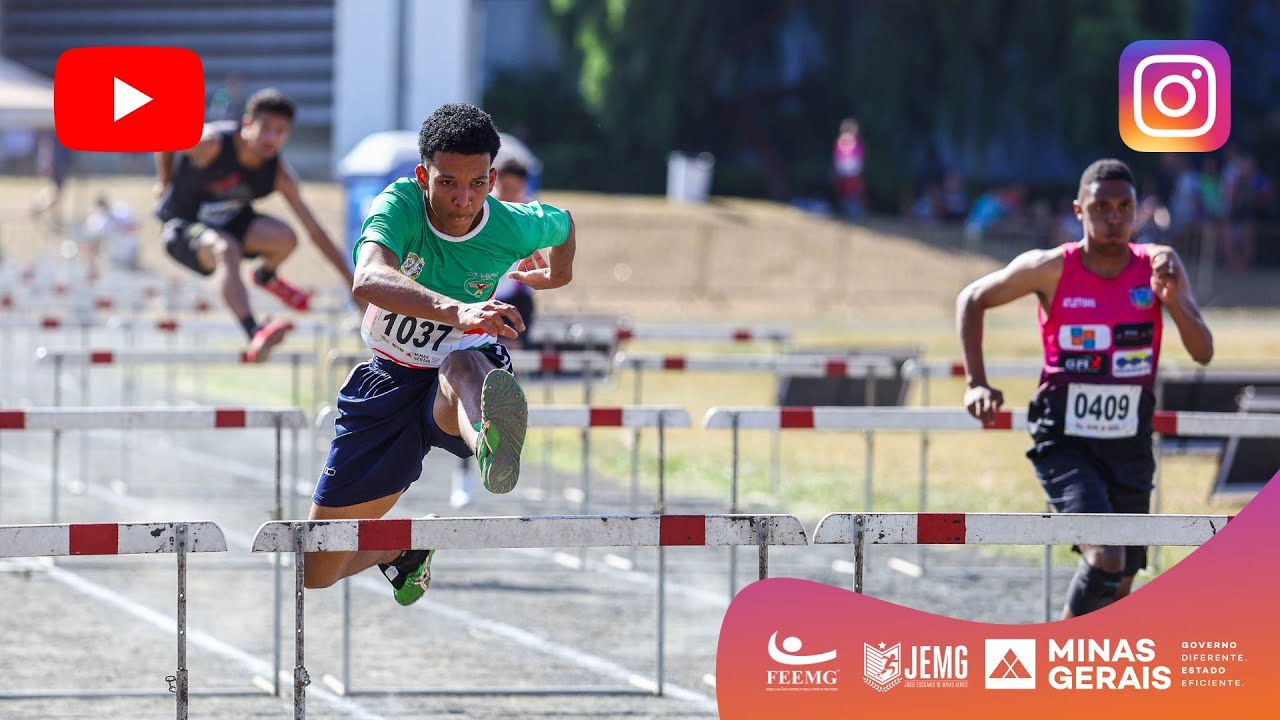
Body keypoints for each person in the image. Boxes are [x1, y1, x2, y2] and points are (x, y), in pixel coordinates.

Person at [303, 103, 576, 604]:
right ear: (422, 175)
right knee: (317, 567)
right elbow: (367, 277)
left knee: (461, 363)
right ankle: (404, 548)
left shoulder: (512, 225)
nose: (463, 199)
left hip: (460, 375)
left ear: (493, 179)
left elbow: (563, 224)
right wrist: (455, 310)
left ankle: (489, 444)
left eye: (476, 184)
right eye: (447, 183)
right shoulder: (399, 205)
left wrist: (559, 274)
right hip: (390, 379)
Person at [956, 159, 1213, 620]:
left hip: (1130, 439)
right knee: (1106, 557)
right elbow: (972, 298)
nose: (1113, 217)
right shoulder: (1051, 268)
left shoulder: (1159, 265)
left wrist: (1172, 301)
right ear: (1079, 210)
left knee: (1121, 583)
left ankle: (1092, 678)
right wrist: (978, 383)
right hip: (1065, 439)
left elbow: (1203, 351)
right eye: (1100, 207)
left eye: (1124, 206)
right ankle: (1061, 662)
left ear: (1138, 210)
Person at [154, 88, 355, 360]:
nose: (271, 138)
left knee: (286, 238)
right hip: (183, 226)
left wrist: (351, 281)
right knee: (226, 249)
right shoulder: (211, 144)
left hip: (230, 222)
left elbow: (315, 231)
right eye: (265, 128)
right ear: (247, 124)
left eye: (280, 131)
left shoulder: (279, 174)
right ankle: (254, 332)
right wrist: (164, 181)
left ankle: (265, 276)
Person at [451, 157, 543, 509]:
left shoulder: (527, 223)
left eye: (519, 191)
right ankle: (466, 468)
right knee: (470, 390)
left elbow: (537, 273)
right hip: (471, 308)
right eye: (508, 189)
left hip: (512, 309)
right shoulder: (474, 215)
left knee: (491, 394)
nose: (513, 196)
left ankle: (495, 450)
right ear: (492, 184)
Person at [833, 118, 866, 219]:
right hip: (847, 172)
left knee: (853, 194)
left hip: (850, 172)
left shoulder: (851, 141)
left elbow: (859, 156)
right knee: (848, 194)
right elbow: (840, 156)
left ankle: (852, 213)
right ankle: (848, 213)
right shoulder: (845, 141)